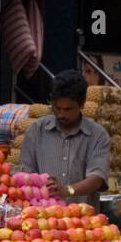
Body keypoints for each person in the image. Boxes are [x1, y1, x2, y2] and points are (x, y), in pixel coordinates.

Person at [19, 69, 111, 208]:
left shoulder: (97, 135)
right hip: (42, 219)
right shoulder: (36, 130)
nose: (61, 114)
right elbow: (25, 175)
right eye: (57, 108)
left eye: (68, 109)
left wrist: (68, 190)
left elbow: (97, 178)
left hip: (82, 223)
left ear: (82, 104)